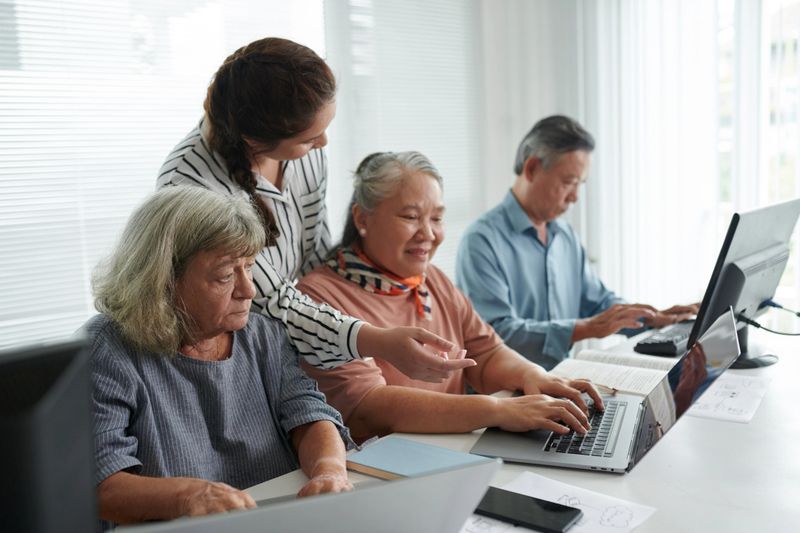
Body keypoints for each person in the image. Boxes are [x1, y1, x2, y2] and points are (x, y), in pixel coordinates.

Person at [157, 36, 472, 382]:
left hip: (303, 335)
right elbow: (271, 303)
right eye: (309, 138)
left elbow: (315, 256)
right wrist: (374, 340)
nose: (323, 143)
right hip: (226, 360)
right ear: (254, 141)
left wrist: (358, 322)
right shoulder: (190, 184)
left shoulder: (307, 152)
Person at [88, 187, 352, 528]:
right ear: (164, 281)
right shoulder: (106, 352)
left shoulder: (261, 335)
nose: (248, 290)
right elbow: (100, 486)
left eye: (250, 268)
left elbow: (310, 416)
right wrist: (188, 496)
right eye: (226, 275)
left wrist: (328, 470)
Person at [295, 151, 604, 443]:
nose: (428, 234)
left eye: (437, 218)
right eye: (411, 217)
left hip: (455, 451)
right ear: (362, 219)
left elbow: (485, 353)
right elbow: (368, 407)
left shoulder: (433, 279)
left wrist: (532, 376)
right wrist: (498, 411)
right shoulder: (319, 297)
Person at [456, 115, 698, 370]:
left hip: (560, 384)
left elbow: (598, 303)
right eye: (569, 182)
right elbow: (495, 335)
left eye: (580, 184)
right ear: (532, 169)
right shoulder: (481, 242)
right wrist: (586, 328)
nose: (575, 197)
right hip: (506, 396)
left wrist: (652, 318)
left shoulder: (564, 236)